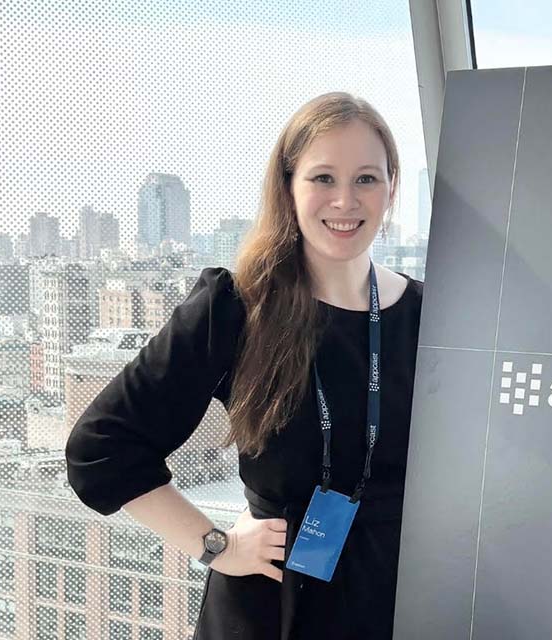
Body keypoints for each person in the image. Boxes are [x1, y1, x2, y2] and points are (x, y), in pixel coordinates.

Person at [65, 92, 423, 639]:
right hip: (271, 611)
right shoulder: (238, 308)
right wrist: (217, 546)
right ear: (287, 188)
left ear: (391, 188)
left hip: (397, 602)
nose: (345, 201)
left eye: (367, 179)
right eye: (323, 178)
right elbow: (101, 450)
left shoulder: (431, 316)